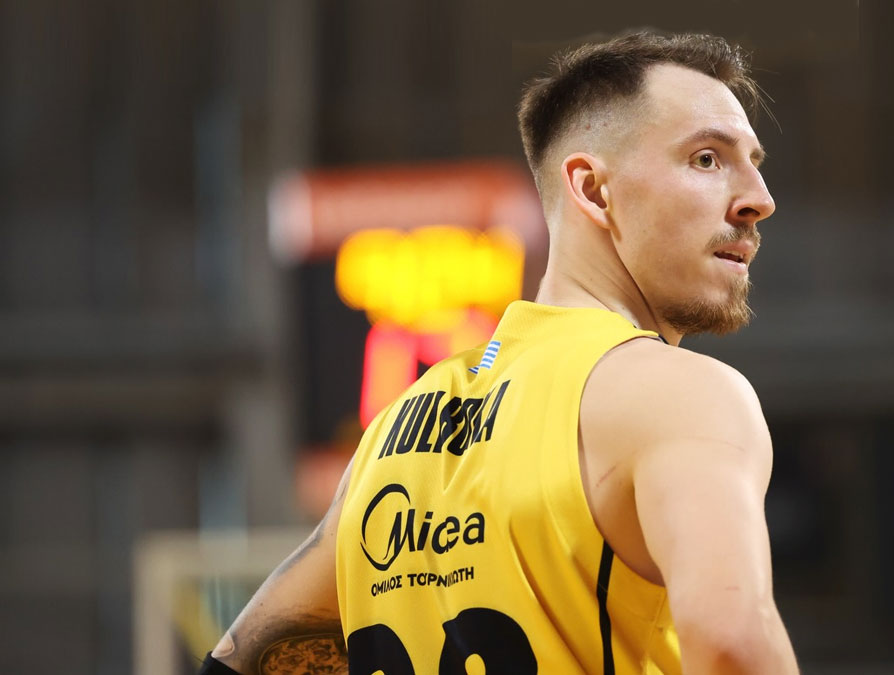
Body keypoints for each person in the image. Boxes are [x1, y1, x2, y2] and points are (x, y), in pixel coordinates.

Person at [201, 31, 800, 675]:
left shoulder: (389, 436)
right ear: (593, 190)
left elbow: (240, 661)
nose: (759, 199)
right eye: (707, 159)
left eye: (754, 162)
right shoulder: (682, 396)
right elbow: (732, 645)